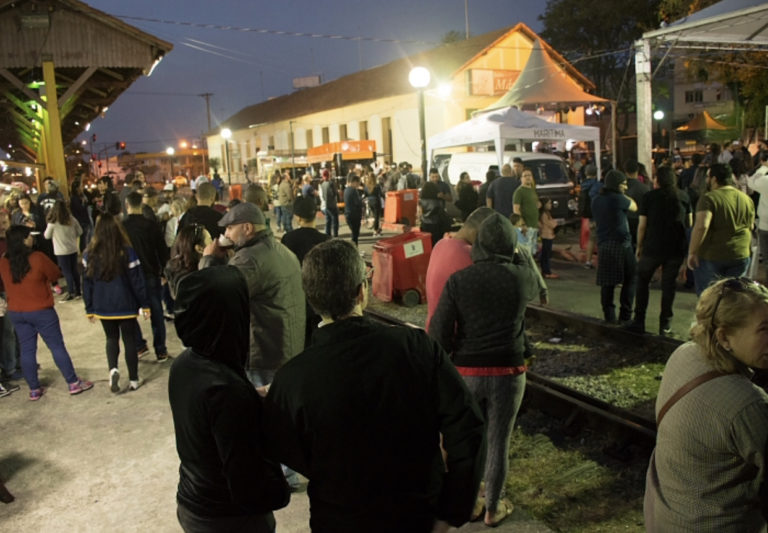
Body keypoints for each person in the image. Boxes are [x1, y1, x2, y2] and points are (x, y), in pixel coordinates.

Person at [264, 239, 486, 533]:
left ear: (311, 299)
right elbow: (468, 428)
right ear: (361, 291)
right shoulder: (416, 348)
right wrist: (450, 512)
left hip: (339, 520)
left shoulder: (291, 380)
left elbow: (291, 452)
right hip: (417, 515)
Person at [428, 213, 537, 528]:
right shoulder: (521, 278)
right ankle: (493, 507)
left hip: (467, 372)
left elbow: (439, 332)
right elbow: (532, 274)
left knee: (469, 441)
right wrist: (519, 252)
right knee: (499, 441)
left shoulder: (459, 280)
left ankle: (470, 503)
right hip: (510, 371)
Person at [169, 266, 290, 533]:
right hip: (228, 519)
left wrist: (252, 397)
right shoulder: (226, 391)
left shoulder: (185, 363)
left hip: (192, 501)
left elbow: (207, 424)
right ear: (228, 317)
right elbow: (250, 486)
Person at [644, 277, 768, 531]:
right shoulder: (746, 404)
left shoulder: (685, 354)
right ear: (724, 337)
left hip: (664, 517)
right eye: (765, 329)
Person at [201, 202, 305, 388]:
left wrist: (208, 259)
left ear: (247, 228)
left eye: (230, 228)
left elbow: (212, 297)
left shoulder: (249, 260)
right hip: (289, 348)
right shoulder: (282, 250)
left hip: (264, 356)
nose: (226, 235)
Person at [0, 225, 92, 400]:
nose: (32, 238)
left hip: (17, 312)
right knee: (56, 346)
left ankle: (34, 389)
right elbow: (55, 273)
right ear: (23, 240)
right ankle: (73, 383)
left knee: (27, 350)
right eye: (29, 236)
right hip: (41, 310)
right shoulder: (37, 257)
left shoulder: (3, 261)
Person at [83, 213, 150, 393]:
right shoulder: (127, 251)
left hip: (102, 306)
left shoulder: (89, 254)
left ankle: (113, 369)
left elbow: (87, 283)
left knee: (111, 338)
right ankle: (134, 379)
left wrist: (89, 308)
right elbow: (137, 281)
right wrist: (145, 304)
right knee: (129, 340)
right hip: (126, 304)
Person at [629, 166, 691, 335]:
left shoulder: (649, 197)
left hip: (653, 246)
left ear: (658, 180)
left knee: (643, 282)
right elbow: (688, 224)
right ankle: (665, 325)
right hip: (675, 247)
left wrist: (639, 247)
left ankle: (639, 320)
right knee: (668, 286)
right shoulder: (683, 196)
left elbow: (642, 226)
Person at [687, 163, 755, 296]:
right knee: (733, 298)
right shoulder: (746, 199)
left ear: (714, 179)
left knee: (710, 298)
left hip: (713, 254)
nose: (706, 180)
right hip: (741, 254)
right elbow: (751, 226)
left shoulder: (709, 198)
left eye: (708, 177)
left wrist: (692, 252)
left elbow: (702, 226)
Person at [425, 207, 495, 330]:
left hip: (434, 330)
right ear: (478, 232)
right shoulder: (470, 255)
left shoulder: (440, 244)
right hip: (457, 338)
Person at [123, 192, 170, 362]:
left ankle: (139, 345)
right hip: (151, 273)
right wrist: (164, 272)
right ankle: (161, 350)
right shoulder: (151, 225)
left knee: (129, 312)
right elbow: (162, 250)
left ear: (127, 204)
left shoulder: (122, 226)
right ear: (141, 205)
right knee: (156, 311)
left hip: (130, 275)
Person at [281, 196, 330, 346]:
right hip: (322, 303)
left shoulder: (288, 239)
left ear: (297, 217)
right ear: (315, 214)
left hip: (296, 302)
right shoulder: (327, 240)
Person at [591, 170, 638, 324]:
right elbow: (634, 206)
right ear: (616, 185)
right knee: (630, 279)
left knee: (608, 283)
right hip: (621, 244)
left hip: (604, 244)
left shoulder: (596, 199)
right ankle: (625, 315)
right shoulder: (618, 199)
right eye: (623, 184)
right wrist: (623, 195)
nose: (625, 187)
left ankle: (609, 317)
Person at [43, 200, 83, 300]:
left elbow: (46, 236)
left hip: (61, 251)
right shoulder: (72, 219)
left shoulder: (53, 223)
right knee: (74, 270)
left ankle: (70, 292)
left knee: (66, 272)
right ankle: (78, 291)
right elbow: (80, 231)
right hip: (73, 249)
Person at [747, 150, 768, 282]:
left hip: (765, 225)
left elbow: (751, 182)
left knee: (767, 258)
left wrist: (763, 167)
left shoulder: (765, 180)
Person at [512, 168, 540, 256]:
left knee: (531, 252)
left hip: (534, 226)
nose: (528, 177)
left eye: (530, 175)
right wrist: (522, 225)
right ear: (521, 179)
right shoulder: (519, 192)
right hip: (526, 228)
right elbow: (516, 210)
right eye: (525, 176)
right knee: (525, 253)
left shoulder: (532, 190)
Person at [623, 159, 650, 250]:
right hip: (640, 221)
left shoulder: (621, 187)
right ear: (637, 171)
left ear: (625, 171)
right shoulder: (645, 188)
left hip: (624, 221)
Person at [577, 164, 600, 268]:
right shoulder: (598, 186)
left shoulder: (583, 185)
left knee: (591, 239)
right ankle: (603, 262)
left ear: (586, 173)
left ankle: (588, 261)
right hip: (598, 217)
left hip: (589, 217)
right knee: (601, 240)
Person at [420, 181, 452, 247]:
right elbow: (441, 213)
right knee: (436, 244)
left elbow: (419, 213)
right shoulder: (438, 202)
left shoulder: (421, 201)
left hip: (424, 225)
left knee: (427, 244)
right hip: (435, 226)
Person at [538, 196, 558, 279]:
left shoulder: (546, 213)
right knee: (546, 254)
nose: (550, 205)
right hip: (546, 236)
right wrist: (555, 223)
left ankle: (546, 271)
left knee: (546, 254)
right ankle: (546, 272)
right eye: (549, 203)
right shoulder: (544, 214)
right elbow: (551, 224)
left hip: (548, 235)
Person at [343, 174, 364, 246]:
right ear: (354, 182)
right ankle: (354, 249)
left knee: (353, 233)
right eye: (358, 183)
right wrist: (361, 200)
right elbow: (357, 203)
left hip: (348, 214)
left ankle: (354, 248)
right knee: (355, 235)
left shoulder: (346, 190)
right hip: (354, 215)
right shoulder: (353, 191)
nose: (358, 185)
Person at [319, 171, 339, 237]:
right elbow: (334, 193)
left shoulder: (322, 184)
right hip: (332, 204)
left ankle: (327, 234)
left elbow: (324, 196)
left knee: (328, 220)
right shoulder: (330, 183)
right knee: (335, 221)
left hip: (326, 205)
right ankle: (335, 235)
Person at [364, 172, 384, 236]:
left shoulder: (366, 186)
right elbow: (380, 194)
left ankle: (376, 229)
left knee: (374, 215)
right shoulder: (377, 185)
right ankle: (376, 230)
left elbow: (365, 194)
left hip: (370, 202)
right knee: (377, 216)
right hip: (376, 201)